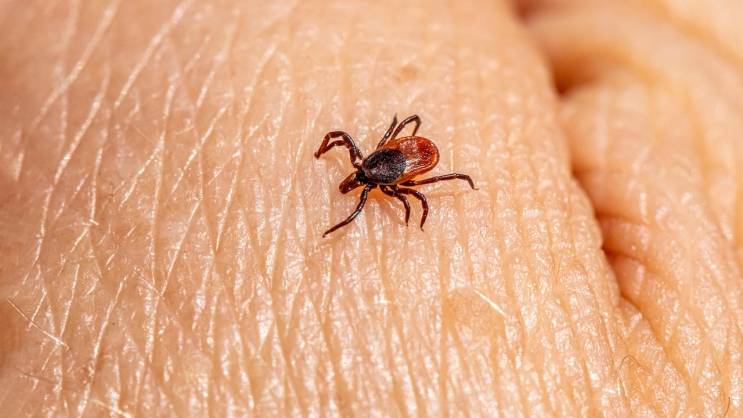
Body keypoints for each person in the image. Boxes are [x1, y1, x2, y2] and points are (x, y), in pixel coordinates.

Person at [1, 0, 741, 415]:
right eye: (361, 172)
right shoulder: (376, 167)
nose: (360, 175)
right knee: (402, 157)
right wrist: (347, 166)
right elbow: (374, 146)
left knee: (427, 183)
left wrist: (406, 188)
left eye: (362, 175)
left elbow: (414, 189)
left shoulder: (394, 181)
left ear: (381, 171)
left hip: (422, 154)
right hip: (416, 148)